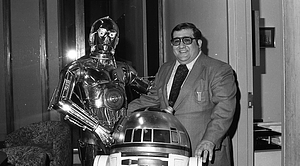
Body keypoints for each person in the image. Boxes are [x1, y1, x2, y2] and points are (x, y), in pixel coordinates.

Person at [128, 22, 237, 166]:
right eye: (176, 41)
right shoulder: (165, 69)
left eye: (187, 40)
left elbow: (224, 109)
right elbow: (152, 98)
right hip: (171, 151)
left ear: (198, 43)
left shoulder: (218, 70)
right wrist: (122, 112)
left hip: (203, 152)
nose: (181, 46)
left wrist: (209, 140)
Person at [48, 16, 151, 166]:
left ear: (117, 39)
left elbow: (150, 90)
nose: (106, 39)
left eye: (111, 34)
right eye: (102, 33)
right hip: (92, 136)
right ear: (92, 37)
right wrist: (97, 128)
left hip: (122, 135)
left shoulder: (124, 68)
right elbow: (60, 102)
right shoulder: (77, 68)